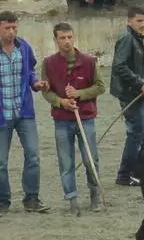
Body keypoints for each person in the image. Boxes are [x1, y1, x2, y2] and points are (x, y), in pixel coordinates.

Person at [0, 11, 51, 216]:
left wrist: (36, 84)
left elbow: (29, 72)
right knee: (0, 162)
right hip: (0, 114)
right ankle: (2, 202)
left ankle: (31, 199)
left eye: (14, 27)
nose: (11, 32)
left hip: (24, 111)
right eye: (7, 28)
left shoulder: (24, 48)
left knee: (33, 155)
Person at [41, 22, 106, 216]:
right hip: (61, 119)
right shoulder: (48, 63)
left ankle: (95, 195)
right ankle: (72, 200)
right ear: (55, 40)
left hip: (85, 117)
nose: (67, 41)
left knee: (90, 159)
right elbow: (47, 92)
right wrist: (61, 102)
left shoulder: (88, 61)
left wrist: (79, 94)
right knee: (66, 161)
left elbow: (100, 86)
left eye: (69, 37)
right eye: (62, 38)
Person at [111, 6, 144, 187]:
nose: (142, 24)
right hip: (131, 94)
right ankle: (124, 175)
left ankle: (138, 171)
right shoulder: (127, 39)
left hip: (139, 94)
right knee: (136, 134)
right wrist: (140, 83)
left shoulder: (136, 38)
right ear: (129, 21)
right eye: (139, 21)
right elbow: (119, 66)